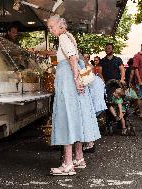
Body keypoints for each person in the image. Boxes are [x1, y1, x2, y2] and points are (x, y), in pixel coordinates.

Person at [47, 15, 101, 175]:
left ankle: (68, 164)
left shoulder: (63, 37)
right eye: (49, 27)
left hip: (69, 83)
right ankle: (79, 158)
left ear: (60, 26)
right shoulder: (68, 37)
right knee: (76, 118)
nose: (51, 30)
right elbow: (73, 57)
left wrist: (76, 79)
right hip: (72, 84)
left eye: (52, 27)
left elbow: (72, 58)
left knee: (66, 118)